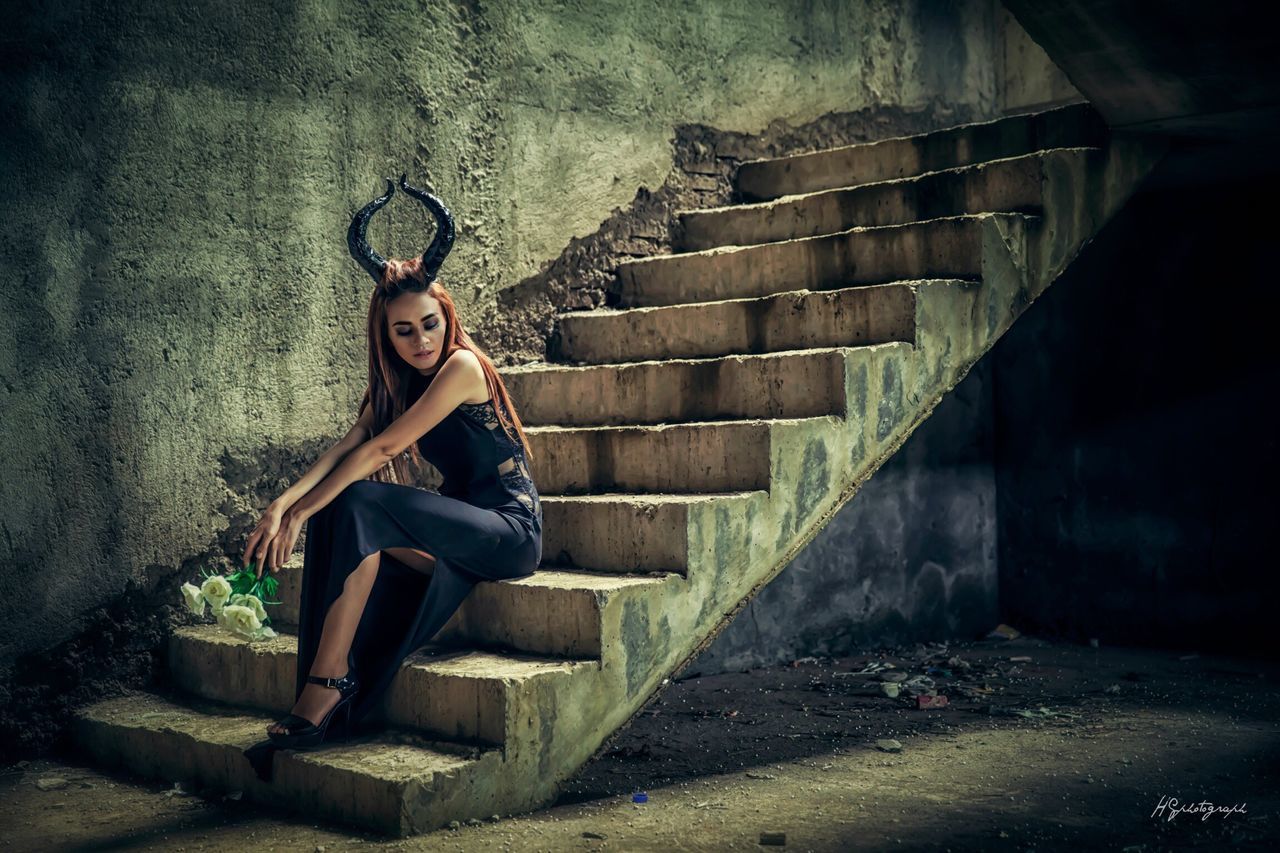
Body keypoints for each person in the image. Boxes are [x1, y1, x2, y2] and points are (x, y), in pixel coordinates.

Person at [237, 174, 542, 766]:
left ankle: (326, 688)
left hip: (508, 531)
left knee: (349, 501)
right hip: (459, 531)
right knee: (341, 508)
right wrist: (285, 503)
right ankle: (331, 681)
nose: (420, 340)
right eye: (403, 331)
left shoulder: (461, 366)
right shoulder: (400, 381)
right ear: (386, 334)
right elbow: (350, 443)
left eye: (429, 323)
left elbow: (379, 453)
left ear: (444, 315)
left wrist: (304, 509)